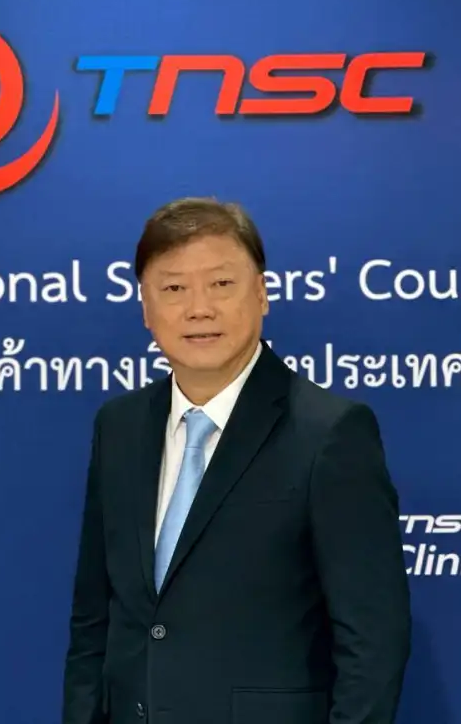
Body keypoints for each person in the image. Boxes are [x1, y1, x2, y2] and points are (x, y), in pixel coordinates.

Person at [61, 197, 411, 724]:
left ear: (263, 294)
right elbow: (94, 623)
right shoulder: (119, 427)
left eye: (221, 283)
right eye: (173, 289)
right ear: (145, 308)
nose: (199, 308)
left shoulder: (330, 433)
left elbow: (374, 642)